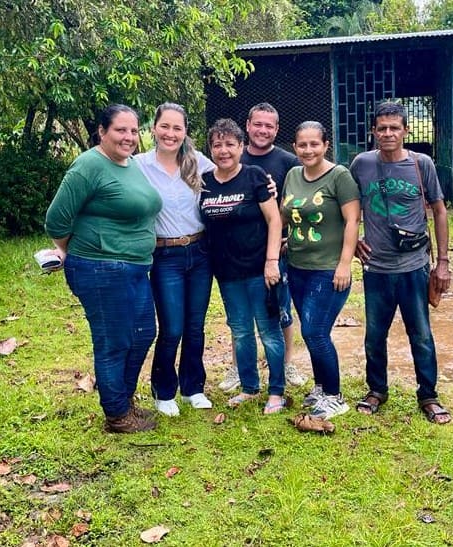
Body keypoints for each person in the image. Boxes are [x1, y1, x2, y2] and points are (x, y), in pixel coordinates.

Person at [45, 104, 162, 433]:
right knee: (114, 341)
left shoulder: (129, 165)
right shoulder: (88, 166)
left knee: (142, 334)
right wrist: (78, 251)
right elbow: (56, 220)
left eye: (133, 130)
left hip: (136, 267)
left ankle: (123, 401)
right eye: (120, 130)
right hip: (101, 268)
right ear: (102, 131)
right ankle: (117, 415)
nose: (128, 137)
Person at [349, 101, 453, 425]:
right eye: (382, 128)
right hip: (376, 268)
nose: (388, 133)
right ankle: (376, 390)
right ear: (373, 132)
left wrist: (444, 262)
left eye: (395, 127)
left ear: (406, 131)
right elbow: (347, 208)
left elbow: (439, 210)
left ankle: (429, 395)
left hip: (414, 267)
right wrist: (352, 243)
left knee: (420, 334)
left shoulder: (422, 165)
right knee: (374, 336)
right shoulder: (361, 164)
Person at [200, 118, 288, 414]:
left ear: (240, 146)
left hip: (259, 270)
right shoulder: (204, 182)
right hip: (226, 272)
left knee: (269, 331)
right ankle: (250, 387)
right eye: (217, 144)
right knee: (240, 331)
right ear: (210, 149)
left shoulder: (255, 176)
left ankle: (277, 391)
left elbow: (275, 220)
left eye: (229, 144)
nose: (223, 150)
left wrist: (272, 261)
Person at [218, 102, 307, 392]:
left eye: (269, 126)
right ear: (247, 126)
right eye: (258, 124)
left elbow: (301, 201)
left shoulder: (288, 162)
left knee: (281, 310)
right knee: (239, 317)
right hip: (237, 255)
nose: (263, 130)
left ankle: (287, 363)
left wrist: (288, 234)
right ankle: (238, 368)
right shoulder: (231, 158)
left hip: (276, 252)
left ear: (277, 129)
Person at [134, 103, 216, 417]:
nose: (170, 134)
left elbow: (231, 174)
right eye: (165, 127)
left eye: (177, 128)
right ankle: (163, 390)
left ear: (185, 132)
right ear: (153, 128)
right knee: (172, 327)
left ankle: (193, 388)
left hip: (199, 252)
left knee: (195, 326)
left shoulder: (198, 163)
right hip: (164, 255)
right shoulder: (139, 165)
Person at [281, 121, 360, 420]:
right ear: (295, 147)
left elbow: (352, 221)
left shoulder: (340, 176)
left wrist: (344, 263)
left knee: (314, 332)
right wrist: (284, 242)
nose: (308, 150)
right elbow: (286, 214)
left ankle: (335, 396)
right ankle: (320, 387)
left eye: (314, 144)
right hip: (297, 266)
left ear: (326, 145)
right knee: (316, 332)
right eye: (302, 144)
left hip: (328, 269)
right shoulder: (292, 175)